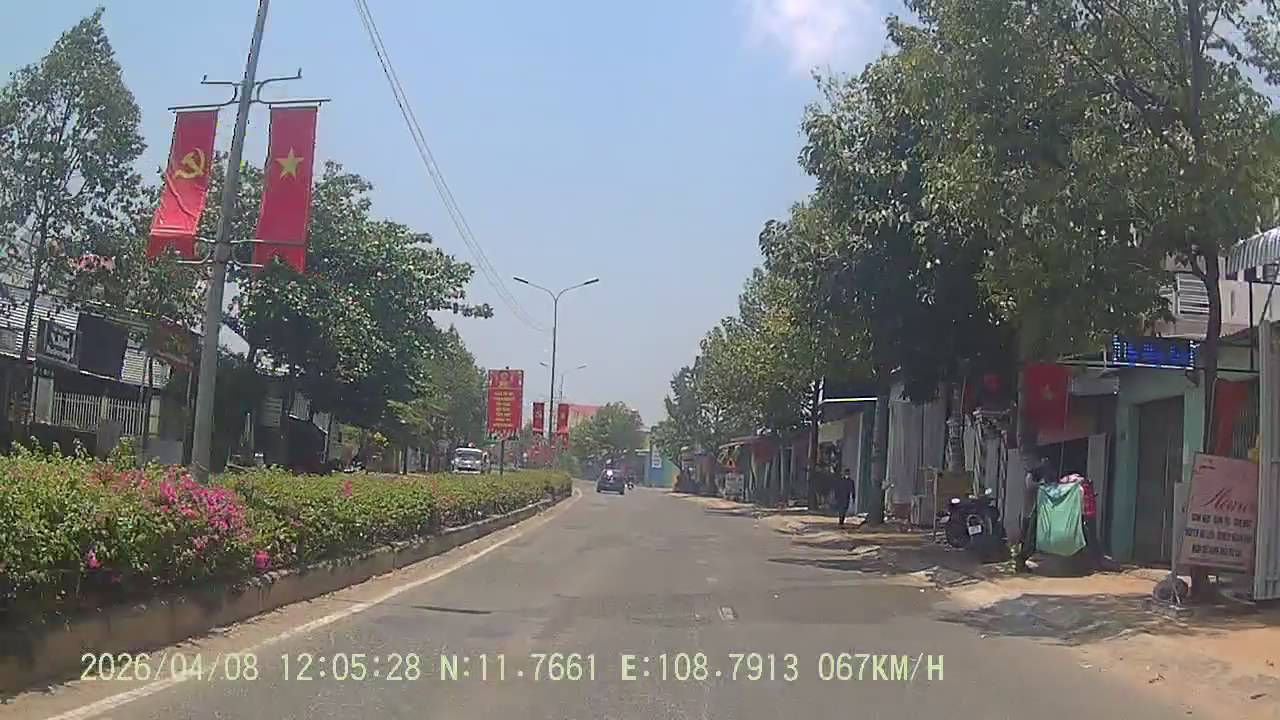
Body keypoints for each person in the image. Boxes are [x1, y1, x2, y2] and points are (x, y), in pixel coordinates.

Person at [1015, 454, 1055, 572]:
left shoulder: (1039, 477)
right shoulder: (1031, 477)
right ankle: (1021, 561)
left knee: (1030, 540)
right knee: (1028, 540)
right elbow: (1030, 486)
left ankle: (1022, 562)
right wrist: (1042, 485)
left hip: (1036, 514)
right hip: (1029, 514)